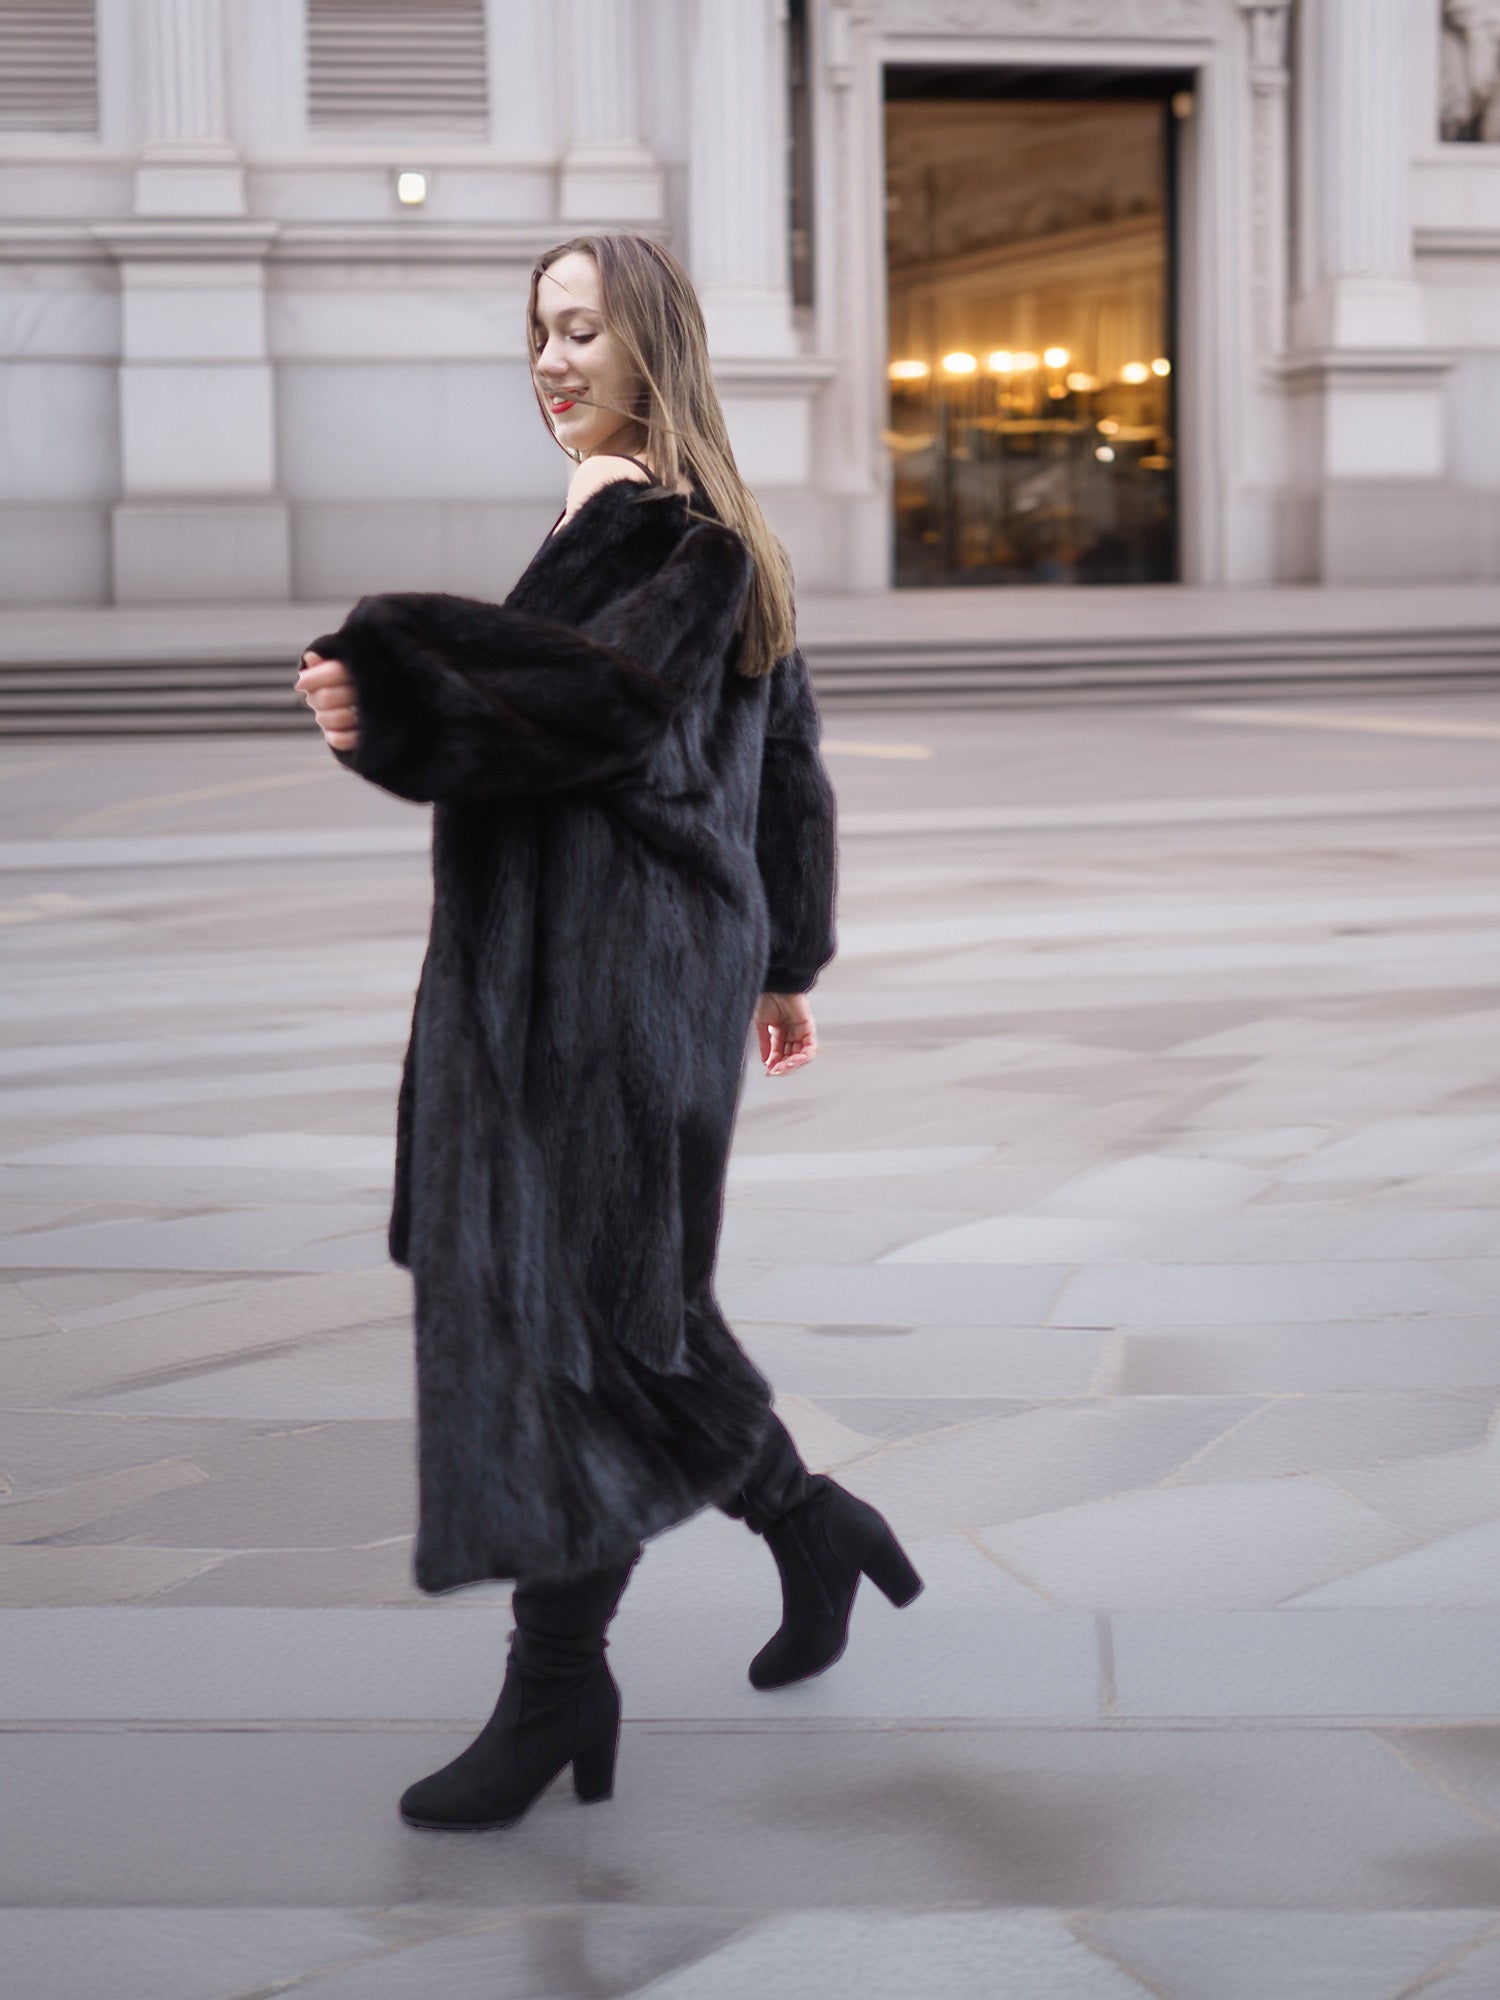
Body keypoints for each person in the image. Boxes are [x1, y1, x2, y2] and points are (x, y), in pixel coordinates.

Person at [296, 232, 922, 1833]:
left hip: (617, 991)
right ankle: (808, 1525)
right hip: (620, 974)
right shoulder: (690, 531)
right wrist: (785, 956)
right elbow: (781, 758)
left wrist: (400, 678)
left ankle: (558, 1690)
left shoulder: (671, 536)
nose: (551, 360)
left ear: (651, 346)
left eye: (581, 330)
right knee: (621, 1304)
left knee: (587, 1321)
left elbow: (601, 704)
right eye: (536, 332)